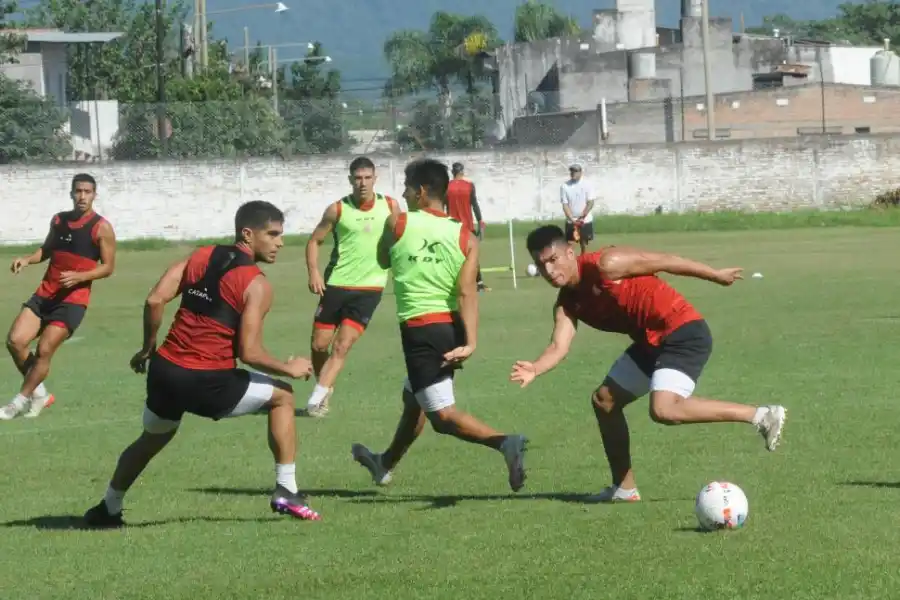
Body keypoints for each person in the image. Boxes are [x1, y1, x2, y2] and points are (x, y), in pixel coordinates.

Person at [83, 201, 319, 528]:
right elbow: (249, 352)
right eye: (273, 234)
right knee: (284, 395)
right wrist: (287, 367)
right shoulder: (257, 285)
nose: (280, 242)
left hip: (164, 372)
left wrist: (147, 348)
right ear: (248, 234)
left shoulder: (201, 255)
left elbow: (155, 299)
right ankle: (287, 489)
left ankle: (107, 507)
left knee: (151, 438)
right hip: (207, 380)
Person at [510, 225, 787, 503]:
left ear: (570, 252)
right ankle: (624, 488)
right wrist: (535, 367)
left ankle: (762, 415)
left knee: (664, 409)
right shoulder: (567, 304)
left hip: (682, 331)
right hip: (649, 343)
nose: (548, 270)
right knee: (604, 401)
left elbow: (665, 260)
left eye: (553, 259)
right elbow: (559, 347)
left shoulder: (607, 264)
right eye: (540, 264)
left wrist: (714, 274)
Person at [350, 158, 528, 492]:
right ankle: (384, 463)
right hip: (451, 329)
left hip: (420, 330)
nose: (401, 194)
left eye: (405, 187)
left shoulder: (397, 224)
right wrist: (471, 341)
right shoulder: (466, 236)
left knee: (442, 417)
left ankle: (506, 443)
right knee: (413, 397)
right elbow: (466, 292)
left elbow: (383, 259)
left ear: (420, 192)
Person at [2, 173, 116, 420]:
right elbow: (46, 250)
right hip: (44, 294)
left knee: (44, 350)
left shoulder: (102, 228)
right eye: (78, 191)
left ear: (94, 195)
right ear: (71, 193)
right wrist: (27, 259)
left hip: (73, 301)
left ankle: (17, 403)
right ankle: (40, 393)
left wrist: (79, 277)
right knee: (15, 341)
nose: (82, 196)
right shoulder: (59, 220)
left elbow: (108, 267)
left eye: (87, 191)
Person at [304, 156, 401, 417]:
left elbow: (402, 238)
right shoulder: (337, 209)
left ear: (375, 178)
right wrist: (314, 272)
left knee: (342, 345)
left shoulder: (391, 206)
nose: (362, 183)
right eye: (357, 178)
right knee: (318, 345)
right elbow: (315, 241)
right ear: (350, 180)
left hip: (370, 288)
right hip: (336, 284)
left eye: (367, 178)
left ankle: (317, 400)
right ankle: (325, 386)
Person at [446, 162, 489, 292]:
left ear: (452, 172)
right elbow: (474, 205)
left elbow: (443, 206)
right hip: (467, 227)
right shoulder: (469, 186)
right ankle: (479, 283)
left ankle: (452, 283)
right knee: (472, 254)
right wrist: (480, 220)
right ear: (462, 172)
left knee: (452, 255)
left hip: (452, 226)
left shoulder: (447, 187)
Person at [560, 164, 596, 255]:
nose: (573, 173)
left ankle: (584, 260)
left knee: (584, 243)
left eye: (575, 171)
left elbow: (590, 202)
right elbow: (565, 204)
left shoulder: (587, 184)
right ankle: (572, 263)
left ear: (580, 172)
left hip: (585, 219)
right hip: (571, 220)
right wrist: (572, 219)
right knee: (569, 244)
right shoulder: (565, 186)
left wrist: (583, 215)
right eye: (571, 171)